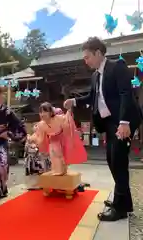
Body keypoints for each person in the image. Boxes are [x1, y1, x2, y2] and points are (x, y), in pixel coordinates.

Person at [64, 37, 142, 221]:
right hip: (108, 124)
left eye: (87, 56)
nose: (85, 60)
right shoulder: (95, 75)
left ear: (98, 53)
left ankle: (120, 208)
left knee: (118, 162)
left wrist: (124, 123)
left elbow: (125, 94)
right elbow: (93, 96)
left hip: (121, 122)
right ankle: (124, 202)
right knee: (112, 160)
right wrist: (74, 101)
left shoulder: (117, 67)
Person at [28, 102, 87, 175]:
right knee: (53, 155)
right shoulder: (41, 124)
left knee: (61, 156)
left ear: (50, 112)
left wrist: (69, 110)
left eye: (45, 111)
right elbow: (38, 135)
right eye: (41, 112)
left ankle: (62, 170)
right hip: (52, 141)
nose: (42, 114)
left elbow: (67, 120)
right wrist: (31, 139)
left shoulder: (59, 118)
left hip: (62, 139)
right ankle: (57, 170)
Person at [24, 124, 51, 190]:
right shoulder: (30, 137)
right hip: (33, 157)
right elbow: (27, 148)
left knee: (42, 171)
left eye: (38, 126)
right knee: (33, 172)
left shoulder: (44, 136)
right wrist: (33, 146)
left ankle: (42, 184)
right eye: (35, 126)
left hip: (41, 156)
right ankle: (33, 185)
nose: (36, 128)